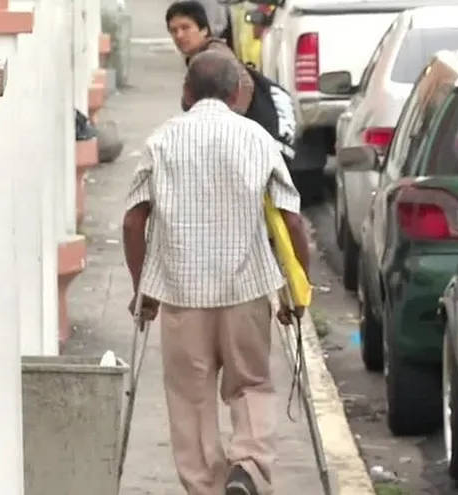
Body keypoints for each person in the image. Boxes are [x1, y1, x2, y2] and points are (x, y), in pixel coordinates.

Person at [121, 50, 311, 495]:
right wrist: (296, 288)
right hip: (246, 289)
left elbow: (133, 221)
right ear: (236, 94)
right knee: (251, 385)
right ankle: (247, 465)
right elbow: (291, 220)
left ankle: (207, 487)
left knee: (190, 399)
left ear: (186, 93)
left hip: (181, 294)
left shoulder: (161, 141)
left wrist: (141, 290)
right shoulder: (257, 139)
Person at [166, 0, 254, 115]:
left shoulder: (214, 55)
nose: (179, 35)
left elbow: (246, 84)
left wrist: (231, 119)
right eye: (174, 30)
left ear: (204, 30)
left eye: (185, 28)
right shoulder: (200, 54)